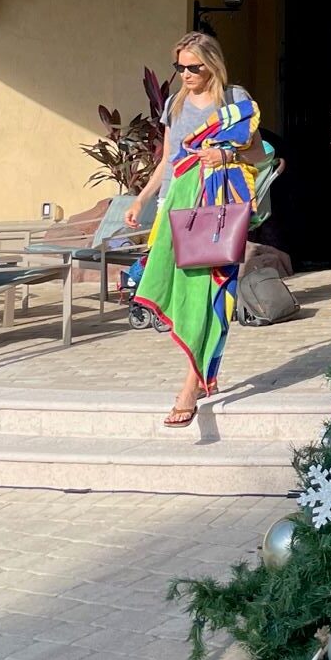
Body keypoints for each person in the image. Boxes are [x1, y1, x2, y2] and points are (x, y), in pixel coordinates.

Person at [127, 32, 260, 425]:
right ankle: (205, 376)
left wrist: (227, 153)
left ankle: (190, 385)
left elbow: (261, 152)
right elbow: (168, 160)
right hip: (178, 208)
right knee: (179, 291)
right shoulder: (175, 103)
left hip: (219, 209)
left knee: (210, 294)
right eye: (179, 67)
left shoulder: (235, 101)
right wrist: (142, 199)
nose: (185, 74)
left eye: (193, 67)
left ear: (212, 65)